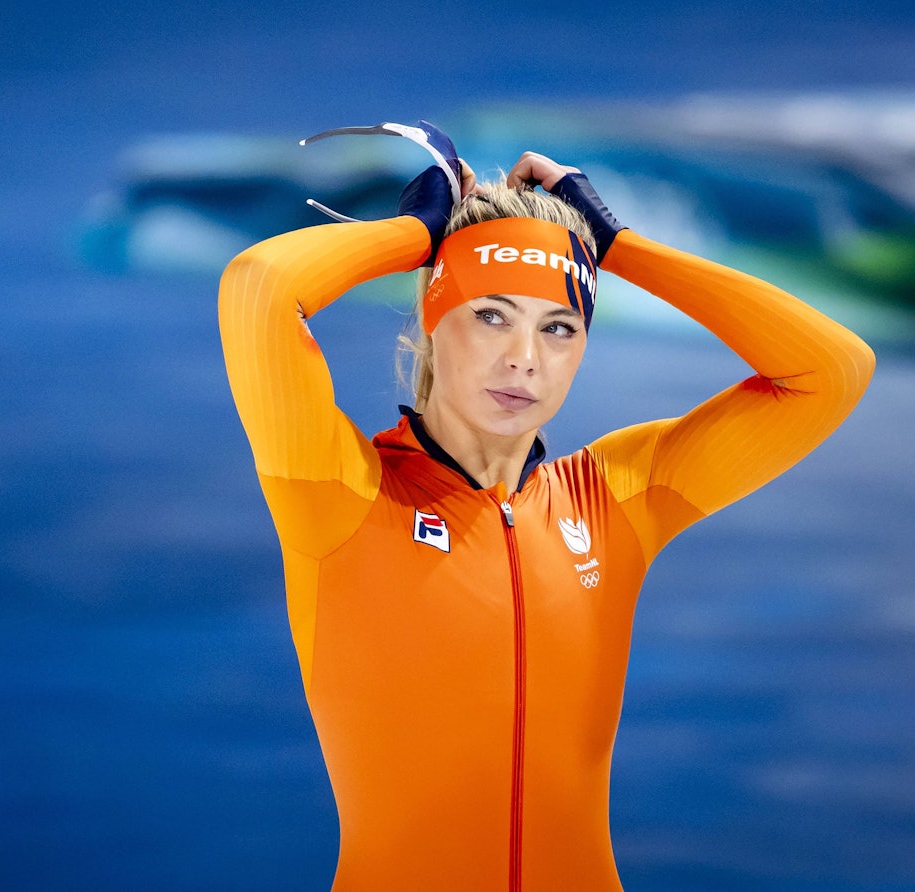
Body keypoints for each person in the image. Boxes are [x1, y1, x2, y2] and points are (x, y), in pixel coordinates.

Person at [217, 124, 875, 891]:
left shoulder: (613, 498)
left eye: (558, 328)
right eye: (491, 315)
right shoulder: (341, 491)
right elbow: (260, 287)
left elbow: (830, 370)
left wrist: (617, 245)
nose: (524, 359)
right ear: (435, 318)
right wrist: (413, 234)